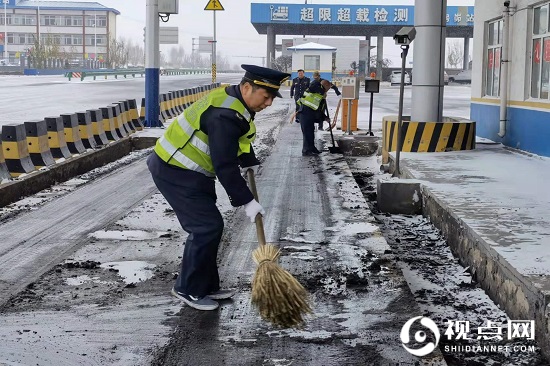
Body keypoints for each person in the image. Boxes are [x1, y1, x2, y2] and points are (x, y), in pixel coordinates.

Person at [147, 64, 290, 311]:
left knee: (211, 226)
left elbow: (239, 138)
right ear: (247, 87)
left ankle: (207, 285)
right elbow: (223, 164)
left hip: (192, 173)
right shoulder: (224, 114)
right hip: (174, 169)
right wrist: (247, 201)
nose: (268, 104)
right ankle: (187, 289)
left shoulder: (236, 102)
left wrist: (248, 160)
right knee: (206, 227)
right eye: (266, 97)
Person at [297, 79, 331, 156]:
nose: (327, 91)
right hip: (304, 112)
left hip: (310, 114)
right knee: (307, 132)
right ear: (324, 85)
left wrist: (324, 117)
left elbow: (319, 109)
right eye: (327, 89)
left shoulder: (319, 94)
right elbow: (313, 85)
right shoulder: (316, 86)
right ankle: (306, 150)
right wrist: (323, 92)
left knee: (311, 132)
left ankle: (312, 148)